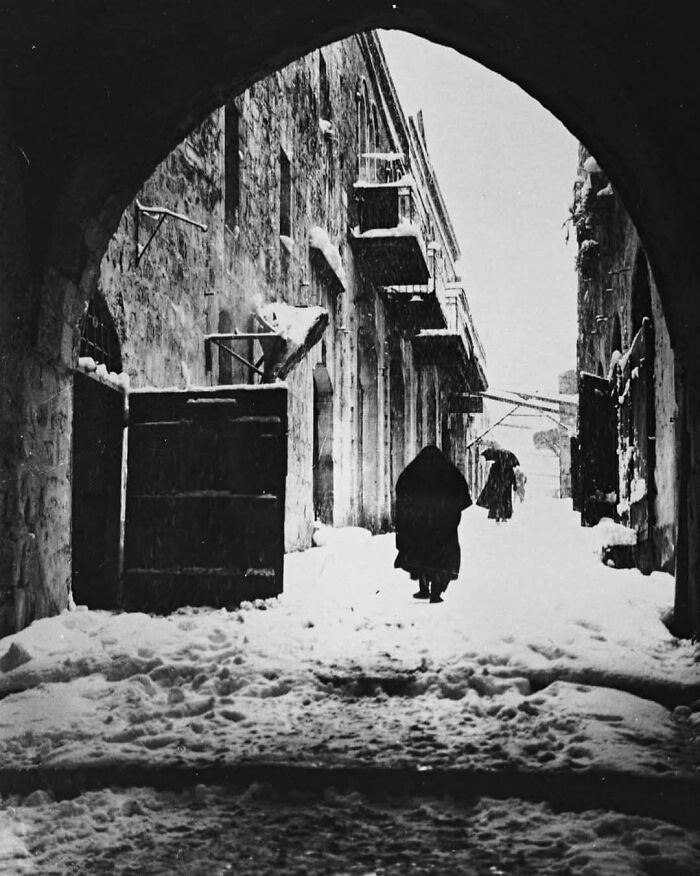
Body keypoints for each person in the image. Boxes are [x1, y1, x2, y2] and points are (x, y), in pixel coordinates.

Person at [394, 445, 472, 604]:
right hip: (443, 525)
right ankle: (436, 591)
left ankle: (424, 588)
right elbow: (462, 494)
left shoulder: (413, 471)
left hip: (420, 524)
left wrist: (411, 513)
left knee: (422, 555)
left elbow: (401, 491)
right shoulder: (449, 471)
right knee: (441, 559)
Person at [477, 450, 517, 522]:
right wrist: (514, 485)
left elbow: (491, 477)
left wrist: (490, 485)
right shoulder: (509, 467)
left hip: (497, 487)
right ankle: (504, 516)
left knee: (497, 501)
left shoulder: (494, 466)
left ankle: (497, 516)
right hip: (506, 488)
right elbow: (512, 477)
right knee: (505, 501)